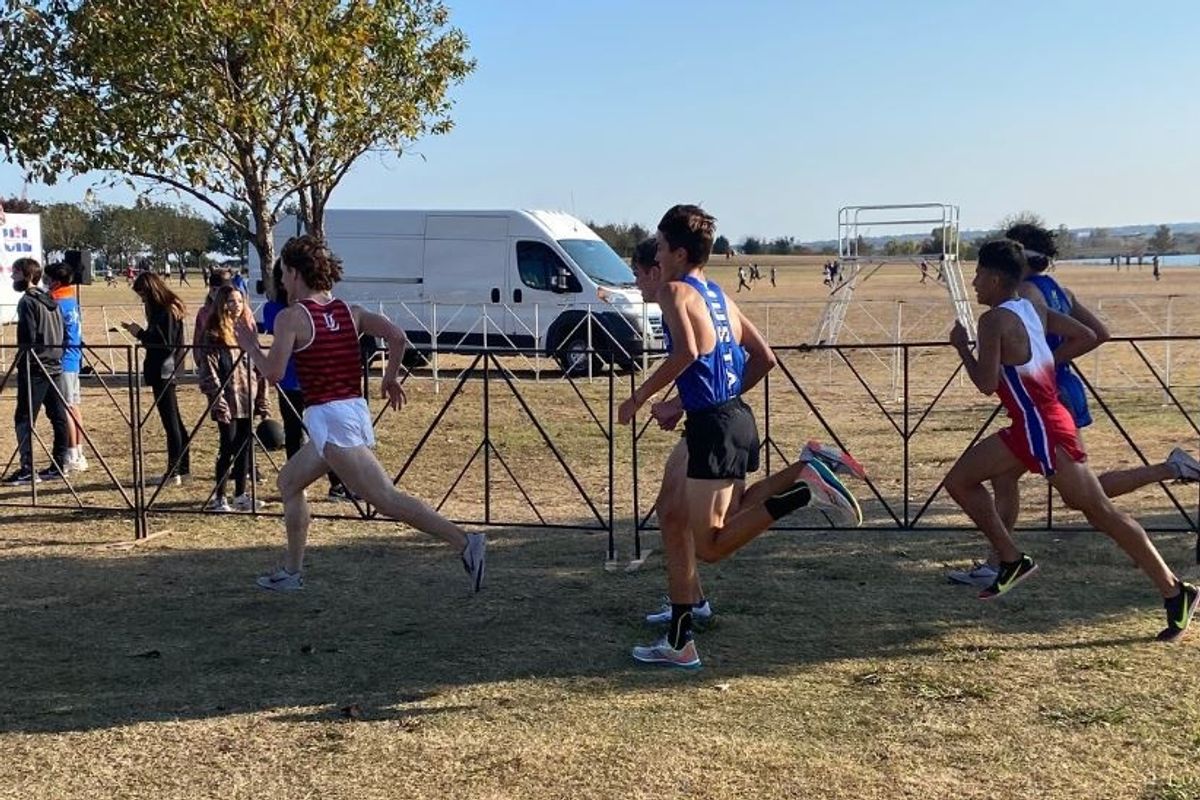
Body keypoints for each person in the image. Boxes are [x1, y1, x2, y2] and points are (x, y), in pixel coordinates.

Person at [617, 206, 862, 669]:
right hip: (734, 418)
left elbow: (689, 352)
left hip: (713, 427)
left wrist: (638, 398)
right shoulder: (718, 295)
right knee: (689, 515)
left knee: (710, 545)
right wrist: (694, 402)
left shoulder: (673, 291)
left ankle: (804, 488)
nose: (658, 257)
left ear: (677, 253)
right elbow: (763, 357)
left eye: (662, 247)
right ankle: (681, 632)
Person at [943, 239, 1196, 641]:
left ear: (993, 278)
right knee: (959, 481)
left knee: (1100, 512)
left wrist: (962, 348)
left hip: (1043, 427)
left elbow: (986, 384)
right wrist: (1044, 365)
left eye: (977, 276)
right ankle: (1010, 559)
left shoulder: (993, 322)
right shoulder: (1033, 307)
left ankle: (1175, 590)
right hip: (1033, 423)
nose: (973, 284)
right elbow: (1084, 333)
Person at [234, 235, 486, 593]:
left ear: (293, 272)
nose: (283, 282)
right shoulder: (349, 312)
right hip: (345, 413)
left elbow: (273, 374)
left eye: (284, 275)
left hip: (330, 419)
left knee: (385, 498)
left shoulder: (291, 318)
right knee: (289, 483)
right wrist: (390, 376)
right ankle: (291, 572)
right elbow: (397, 337)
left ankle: (466, 543)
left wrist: (249, 347)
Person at [261, 259, 352, 502]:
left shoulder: (318, 308)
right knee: (293, 433)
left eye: (285, 275)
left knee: (325, 435)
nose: (282, 281)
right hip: (290, 380)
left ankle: (338, 484)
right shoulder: (276, 310)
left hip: (315, 382)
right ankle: (297, 482)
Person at [198, 285, 270, 512]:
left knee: (245, 446)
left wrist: (262, 399)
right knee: (227, 446)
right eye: (230, 301)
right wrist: (217, 398)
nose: (236, 305)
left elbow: (258, 366)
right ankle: (220, 497)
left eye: (239, 301)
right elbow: (208, 369)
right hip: (227, 398)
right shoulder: (213, 334)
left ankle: (241, 494)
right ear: (221, 304)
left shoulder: (247, 331)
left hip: (246, 397)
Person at [3, 257, 71, 484]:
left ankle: (28, 470)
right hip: (54, 365)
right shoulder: (50, 298)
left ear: (27, 274)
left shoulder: (28, 302)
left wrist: (22, 360)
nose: (12, 277)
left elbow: (28, 338)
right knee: (57, 416)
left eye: (15, 273)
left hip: (35, 366)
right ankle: (60, 464)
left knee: (24, 417)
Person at [124, 272, 190, 485]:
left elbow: (164, 342)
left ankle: (175, 471)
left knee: (170, 422)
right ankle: (182, 468)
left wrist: (139, 333)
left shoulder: (165, 310)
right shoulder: (168, 308)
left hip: (163, 369)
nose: (142, 300)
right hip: (166, 368)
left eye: (143, 295)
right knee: (175, 421)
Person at [45, 262, 88, 473]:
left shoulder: (57, 302)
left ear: (55, 281)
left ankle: (72, 453)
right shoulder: (71, 299)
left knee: (65, 409)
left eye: (47, 278)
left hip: (64, 360)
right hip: (74, 358)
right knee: (73, 406)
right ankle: (78, 450)